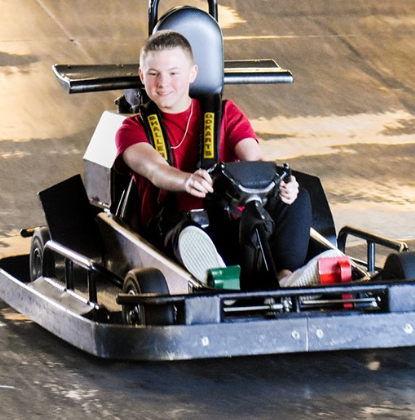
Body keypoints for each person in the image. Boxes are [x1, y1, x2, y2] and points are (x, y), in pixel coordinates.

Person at [115, 30, 337, 287]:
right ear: (142, 76)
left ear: (192, 73)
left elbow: (255, 161)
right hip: (175, 227)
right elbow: (155, 170)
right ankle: (219, 281)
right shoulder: (132, 129)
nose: (163, 83)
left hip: (231, 222)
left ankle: (285, 279)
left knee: (298, 198)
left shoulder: (226, 114)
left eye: (173, 73)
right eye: (154, 74)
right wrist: (187, 181)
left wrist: (281, 185)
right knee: (187, 232)